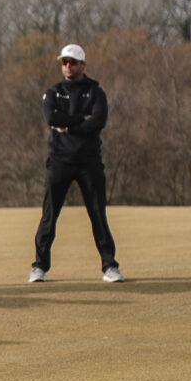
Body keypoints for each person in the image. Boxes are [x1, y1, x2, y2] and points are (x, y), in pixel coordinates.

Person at [32, 43, 121, 283]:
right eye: (64, 62)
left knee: (98, 215)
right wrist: (81, 118)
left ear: (82, 64)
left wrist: (68, 124)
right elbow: (51, 117)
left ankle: (110, 266)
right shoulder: (53, 91)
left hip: (89, 162)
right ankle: (39, 266)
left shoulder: (95, 92)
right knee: (49, 216)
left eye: (72, 62)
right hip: (60, 160)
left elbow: (98, 122)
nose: (68, 66)